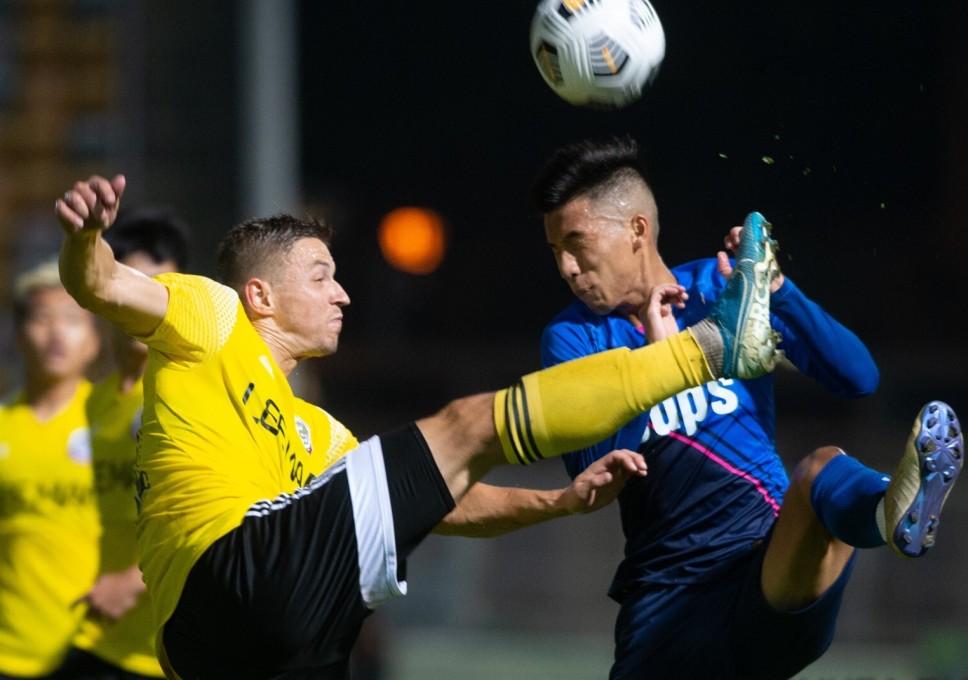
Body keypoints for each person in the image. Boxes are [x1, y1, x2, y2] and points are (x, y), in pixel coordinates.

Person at [53, 172, 780, 679]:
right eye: (320, 275)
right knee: (466, 424)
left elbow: (447, 500)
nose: (341, 293)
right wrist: (87, 237)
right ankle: (711, 348)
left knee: (433, 471)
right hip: (228, 576)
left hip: (230, 652)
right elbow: (104, 283)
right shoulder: (213, 318)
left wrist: (557, 504)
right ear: (260, 294)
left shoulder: (321, 435)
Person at [524, 136, 964, 679]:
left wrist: (777, 289)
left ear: (637, 229)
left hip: (768, 563)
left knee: (821, 468)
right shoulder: (571, 337)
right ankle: (880, 510)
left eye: (577, 241)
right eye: (554, 252)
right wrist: (664, 367)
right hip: (671, 600)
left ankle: (890, 512)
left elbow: (858, 378)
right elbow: (589, 470)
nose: (567, 267)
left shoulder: (721, 287)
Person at [58, 208, 191, 680]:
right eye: (135, 284)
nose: (144, 301)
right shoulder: (90, 405)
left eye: (159, 288)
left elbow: (205, 523)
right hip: (93, 639)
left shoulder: (185, 399)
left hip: (163, 653)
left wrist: (129, 583)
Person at [0, 260, 102, 678]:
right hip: (9, 653)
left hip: (95, 649)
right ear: (20, 337)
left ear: (95, 341)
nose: (57, 333)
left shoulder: (113, 424)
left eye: (73, 320)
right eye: (43, 319)